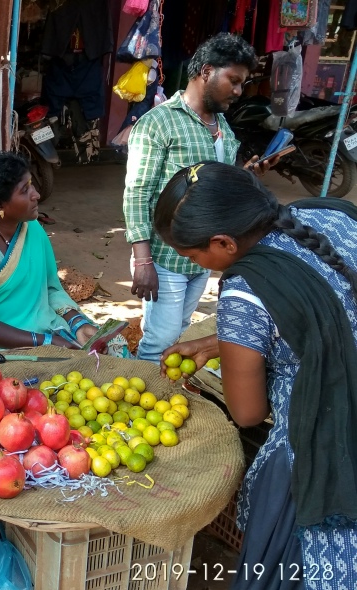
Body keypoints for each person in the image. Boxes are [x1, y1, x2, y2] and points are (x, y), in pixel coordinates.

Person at [154, 161, 357, 590]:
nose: (197, 267)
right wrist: (221, 341)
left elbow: (248, 412)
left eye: (193, 258)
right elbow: (329, 308)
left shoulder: (244, 288)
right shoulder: (327, 215)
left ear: (224, 243)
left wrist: (238, 348)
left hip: (322, 443)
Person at [123, 32, 274, 364]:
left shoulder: (224, 130)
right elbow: (137, 192)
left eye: (242, 83)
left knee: (179, 332)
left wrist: (247, 175)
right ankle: (143, 387)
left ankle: (164, 387)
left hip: (203, 257)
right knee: (159, 341)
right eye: (234, 80)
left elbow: (215, 191)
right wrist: (143, 260)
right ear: (207, 71)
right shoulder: (159, 123)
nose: (239, 91)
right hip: (165, 258)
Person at [0, 152, 128, 359]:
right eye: (25, 190)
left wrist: (78, 324)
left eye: (31, 185)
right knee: (68, 368)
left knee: (114, 347)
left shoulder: (31, 227)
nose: (36, 194)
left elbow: (50, 287)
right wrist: (47, 342)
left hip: (34, 327)